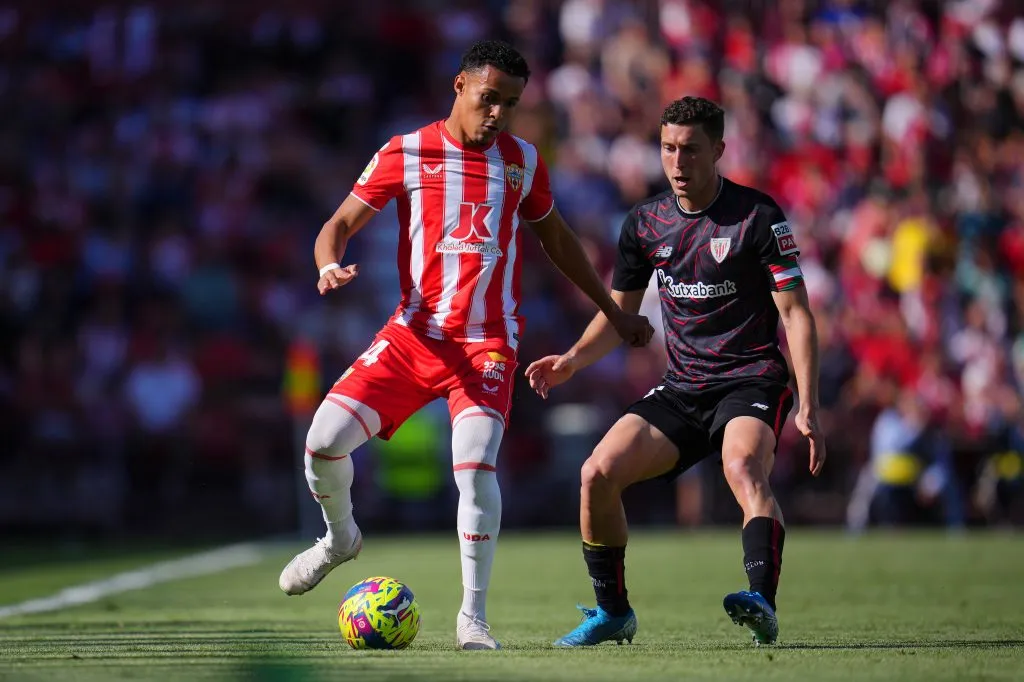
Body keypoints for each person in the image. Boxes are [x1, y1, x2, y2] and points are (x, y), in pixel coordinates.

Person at [277, 40, 653, 651]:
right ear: (459, 87)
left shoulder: (522, 162)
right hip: (412, 336)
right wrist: (326, 264)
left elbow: (557, 242)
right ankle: (339, 540)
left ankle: (472, 617)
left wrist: (614, 309)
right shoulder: (406, 151)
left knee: (476, 466)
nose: (499, 114)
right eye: (489, 99)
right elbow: (338, 224)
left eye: (510, 103)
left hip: (487, 344)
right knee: (321, 445)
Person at [526, 96, 825, 647]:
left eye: (690, 150)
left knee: (742, 468)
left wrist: (807, 404)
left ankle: (762, 600)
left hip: (750, 379)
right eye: (667, 148)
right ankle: (613, 612)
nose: (677, 162)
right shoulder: (644, 223)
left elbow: (797, 315)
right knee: (596, 473)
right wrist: (571, 360)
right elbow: (621, 313)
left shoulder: (758, 217)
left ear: (719, 150)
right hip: (682, 388)